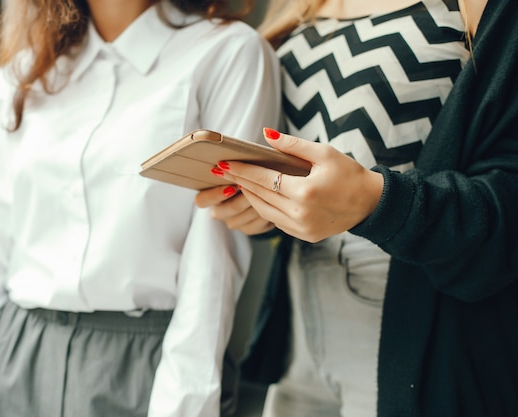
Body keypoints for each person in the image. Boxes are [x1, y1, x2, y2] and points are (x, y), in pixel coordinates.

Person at [0, 1, 281, 416]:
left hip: (145, 366)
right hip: (14, 357)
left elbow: (213, 270)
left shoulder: (227, 54)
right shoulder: (24, 72)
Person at [197, 0, 518, 415]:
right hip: (300, 336)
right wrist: (268, 208)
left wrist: (375, 202)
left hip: (417, 342)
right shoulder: (299, 4)